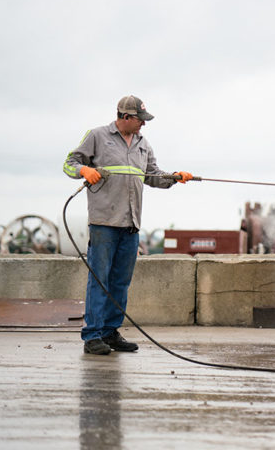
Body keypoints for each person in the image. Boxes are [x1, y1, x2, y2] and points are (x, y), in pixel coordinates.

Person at [64, 95, 193, 355]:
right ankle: (93, 336)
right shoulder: (97, 136)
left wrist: (175, 178)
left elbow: (153, 176)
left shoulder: (144, 144)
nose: (143, 125)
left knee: (120, 282)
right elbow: (69, 164)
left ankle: (111, 332)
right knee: (100, 280)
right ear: (125, 117)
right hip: (104, 223)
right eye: (140, 120)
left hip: (131, 224)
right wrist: (83, 171)